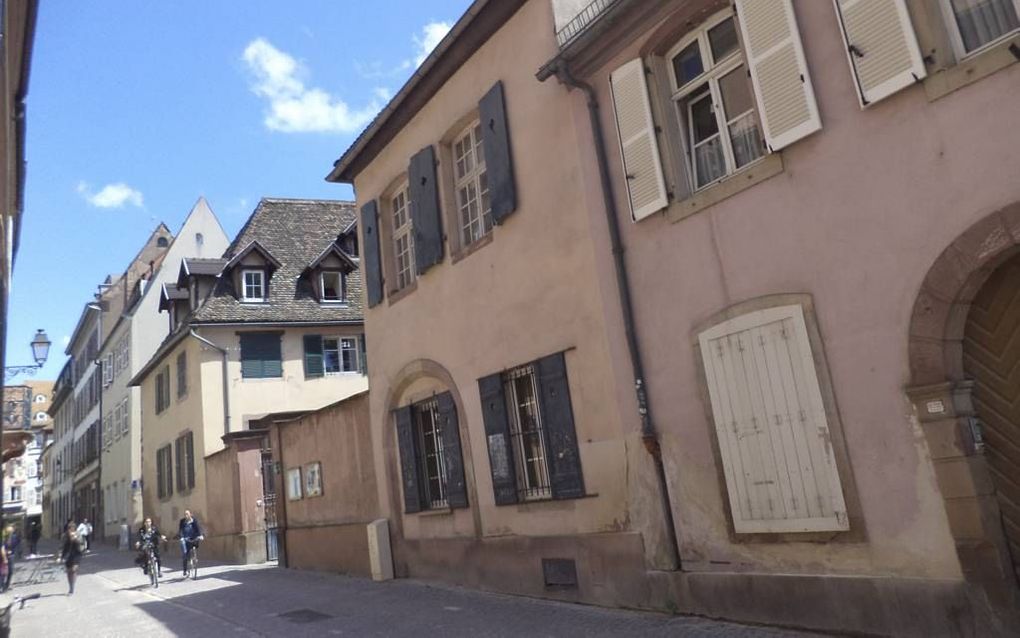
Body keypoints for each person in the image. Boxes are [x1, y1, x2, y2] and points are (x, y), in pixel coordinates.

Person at [58, 522, 84, 595]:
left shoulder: (78, 534)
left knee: (74, 569)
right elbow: (61, 546)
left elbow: (82, 544)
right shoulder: (64, 536)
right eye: (70, 529)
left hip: (76, 554)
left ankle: (72, 587)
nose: (71, 530)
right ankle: (70, 586)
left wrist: (75, 539)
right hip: (67, 554)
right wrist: (60, 556)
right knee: (69, 571)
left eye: (73, 529)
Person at [177, 510, 204, 576]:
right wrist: (181, 537)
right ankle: (185, 570)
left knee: (194, 546)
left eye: (187, 514)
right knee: (185, 553)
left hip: (193, 538)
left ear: (190, 514)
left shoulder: (194, 521)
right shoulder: (182, 521)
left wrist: (200, 535)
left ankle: (194, 558)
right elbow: (180, 531)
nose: (186, 515)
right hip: (185, 539)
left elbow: (198, 528)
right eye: (185, 514)